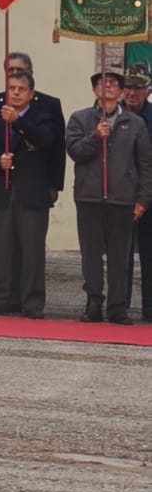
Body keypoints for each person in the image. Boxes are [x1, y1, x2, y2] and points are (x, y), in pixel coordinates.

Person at [65, 69, 152, 324]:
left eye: (114, 84)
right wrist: (95, 136)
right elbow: (75, 151)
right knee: (90, 254)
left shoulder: (135, 124)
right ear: (95, 90)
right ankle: (93, 301)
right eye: (103, 83)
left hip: (122, 198)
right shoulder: (80, 119)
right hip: (89, 196)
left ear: (122, 91)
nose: (108, 87)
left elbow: (145, 164)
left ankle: (117, 306)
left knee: (120, 255)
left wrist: (143, 199)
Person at [0, 63, 59, 319]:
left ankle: (32, 302)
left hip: (32, 193)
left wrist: (19, 122)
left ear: (32, 93)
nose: (16, 93)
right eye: (12, 88)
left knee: (32, 250)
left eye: (21, 89)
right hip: (0, 191)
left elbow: (48, 142)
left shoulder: (43, 116)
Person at [122, 68, 152, 319]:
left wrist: (145, 197)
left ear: (148, 91)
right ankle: (119, 306)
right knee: (120, 256)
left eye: (137, 88)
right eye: (127, 88)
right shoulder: (109, 114)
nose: (131, 93)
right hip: (118, 195)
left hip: (148, 194)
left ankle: (150, 308)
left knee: (150, 254)